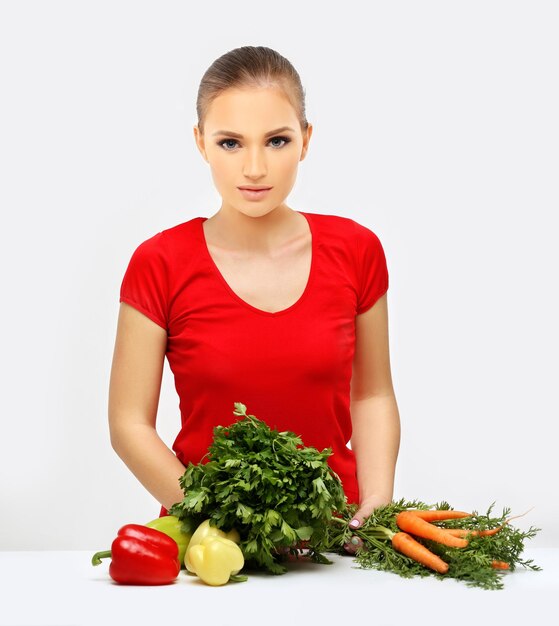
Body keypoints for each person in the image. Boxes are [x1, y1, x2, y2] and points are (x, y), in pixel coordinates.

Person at [108, 46, 401, 543]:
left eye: (277, 140)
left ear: (305, 140)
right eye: (230, 143)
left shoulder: (357, 250)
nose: (255, 168)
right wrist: (219, 522)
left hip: (336, 543)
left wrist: (377, 500)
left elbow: (372, 394)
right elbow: (128, 423)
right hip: (211, 547)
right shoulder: (159, 263)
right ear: (200, 142)